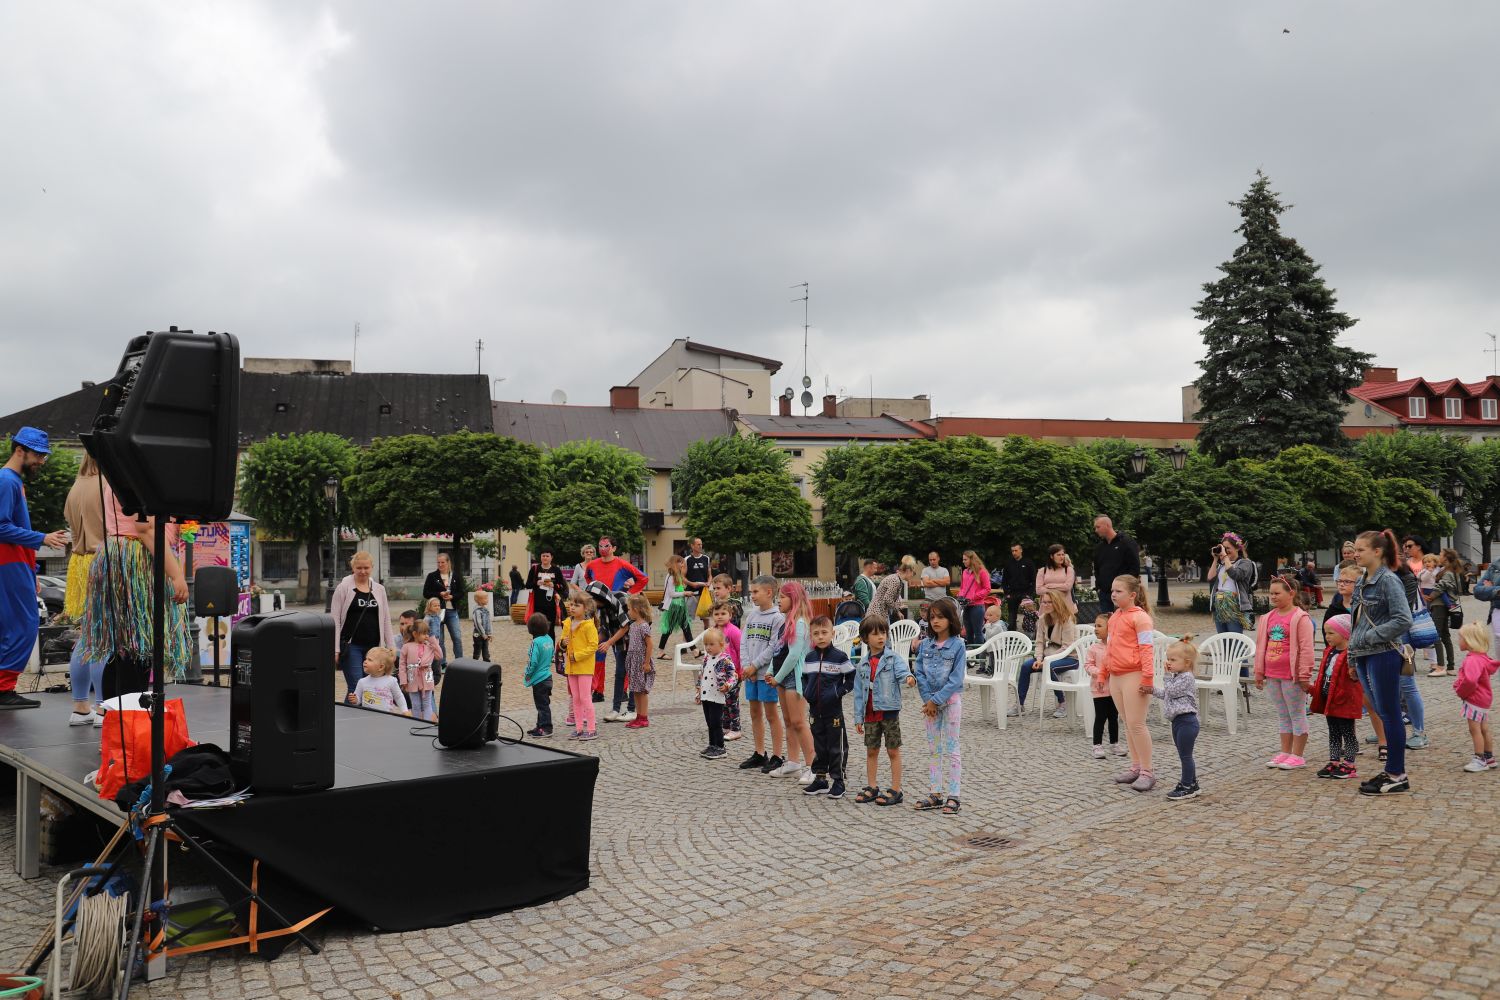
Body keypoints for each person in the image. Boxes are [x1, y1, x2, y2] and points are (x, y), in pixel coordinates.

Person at [79, 476, 189, 699]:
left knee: (124, 650)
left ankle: (117, 719)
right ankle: (129, 722)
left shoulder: (118, 469)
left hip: (119, 555)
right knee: (136, 649)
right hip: (136, 558)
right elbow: (145, 528)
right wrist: (176, 574)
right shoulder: (137, 470)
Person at [1, 428, 70, 709]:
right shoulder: (7, 481)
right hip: (9, 563)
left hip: (15, 564)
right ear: (20, 450)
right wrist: (42, 537)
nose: (42, 461)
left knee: (14, 626)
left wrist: (31, 574)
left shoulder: (11, 481)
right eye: (38, 455)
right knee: (24, 626)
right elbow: (2, 527)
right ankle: (3, 690)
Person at [1350, 529, 1415, 796]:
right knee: (1380, 711)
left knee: (1389, 714)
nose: (1355, 554)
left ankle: (1397, 774)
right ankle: (1390, 771)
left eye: (1360, 550)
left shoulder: (1389, 580)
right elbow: (1355, 621)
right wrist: (1352, 656)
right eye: (1354, 549)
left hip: (1383, 654)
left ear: (1377, 551)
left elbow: (1403, 619)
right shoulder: (1362, 579)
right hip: (1364, 655)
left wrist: (1369, 637)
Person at [911, 596, 967, 815]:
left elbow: (956, 680)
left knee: (952, 749)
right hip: (930, 705)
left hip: (950, 703)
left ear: (950, 619)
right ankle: (935, 793)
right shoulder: (925, 645)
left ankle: (954, 795)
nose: (935, 621)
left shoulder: (958, 646)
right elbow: (920, 672)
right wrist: (928, 700)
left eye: (941, 617)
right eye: (932, 617)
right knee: (934, 749)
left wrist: (936, 700)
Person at [852, 615, 914, 807]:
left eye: (883, 633)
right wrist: (858, 718)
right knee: (872, 751)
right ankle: (872, 786)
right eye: (875, 634)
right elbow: (858, 694)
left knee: (893, 750)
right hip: (870, 713)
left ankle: (896, 789)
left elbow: (903, 672)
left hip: (889, 711)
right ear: (865, 638)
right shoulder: (862, 665)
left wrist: (909, 678)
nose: (881, 637)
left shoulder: (893, 658)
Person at [1254, 577, 1315, 769]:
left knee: (1296, 714)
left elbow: (1306, 648)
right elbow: (1261, 646)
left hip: (1292, 675)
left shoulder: (1300, 618)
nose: (1273, 597)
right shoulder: (1267, 618)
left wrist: (1304, 674)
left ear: (1291, 594)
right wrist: (1259, 672)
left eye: (1277, 593)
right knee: (1282, 715)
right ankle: (1285, 751)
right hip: (1273, 674)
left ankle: (1298, 755)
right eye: (1271, 593)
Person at [62, 454, 105, 724]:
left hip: (79, 564)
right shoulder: (107, 485)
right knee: (106, 639)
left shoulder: (76, 486)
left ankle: (80, 706)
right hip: (103, 561)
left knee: (87, 636)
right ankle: (103, 707)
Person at [1104, 574, 1155, 791]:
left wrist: (1147, 677)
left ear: (1132, 595)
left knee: (1137, 724)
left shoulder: (1141, 618)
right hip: (1116, 676)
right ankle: (1136, 767)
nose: (1113, 594)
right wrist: (1102, 673)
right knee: (1127, 723)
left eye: (1119, 591)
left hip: (1134, 675)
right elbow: (1109, 647)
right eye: (1112, 591)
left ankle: (1147, 771)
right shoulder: (1115, 616)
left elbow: (1147, 649)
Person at [331, 551, 396, 705]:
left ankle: (350, 716)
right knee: (356, 685)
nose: (363, 571)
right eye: (359, 568)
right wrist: (335, 649)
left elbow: (386, 618)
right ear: (353, 567)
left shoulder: (379, 589)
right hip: (351, 645)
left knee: (368, 687)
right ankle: (352, 721)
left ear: (371, 568)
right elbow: (334, 620)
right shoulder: (343, 588)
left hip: (374, 647)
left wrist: (391, 646)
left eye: (366, 568)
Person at [800, 616, 855, 798]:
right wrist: (807, 692)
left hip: (833, 712)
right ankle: (821, 779)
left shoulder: (840, 657)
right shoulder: (809, 658)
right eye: (816, 633)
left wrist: (837, 692)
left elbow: (851, 678)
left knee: (836, 747)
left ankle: (838, 781)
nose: (821, 637)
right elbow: (805, 678)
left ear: (832, 634)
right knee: (820, 746)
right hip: (815, 711)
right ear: (811, 636)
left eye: (824, 633)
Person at [737, 574, 786, 773]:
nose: (753, 596)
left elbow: (774, 646)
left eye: (755, 592)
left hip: (766, 674)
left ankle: (777, 754)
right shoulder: (751, 615)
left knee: (771, 713)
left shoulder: (777, 618)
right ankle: (759, 752)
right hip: (750, 674)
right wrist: (746, 664)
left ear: (769, 592)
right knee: (754, 712)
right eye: (751, 592)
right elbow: (743, 642)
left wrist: (755, 665)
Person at [769, 581, 815, 782]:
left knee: (799, 722)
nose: (779, 600)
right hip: (782, 677)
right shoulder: (787, 622)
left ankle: (813, 766)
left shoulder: (801, 623)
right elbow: (779, 650)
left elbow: (795, 655)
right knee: (788, 721)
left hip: (794, 678)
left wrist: (777, 677)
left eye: (783, 597)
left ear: (794, 599)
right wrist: (772, 671)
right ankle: (793, 763)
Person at [1310, 614, 1362, 780]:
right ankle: (1334, 760)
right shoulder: (1330, 652)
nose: (1327, 637)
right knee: (1333, 732)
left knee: (1348, 733)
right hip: (1329, 699)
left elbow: (1355, 679)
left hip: (1345, 700)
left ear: (1345, 633)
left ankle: (1349, 764)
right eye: (1326, 633)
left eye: (1331, 633)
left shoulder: (1351, 655)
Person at [1015, 591, 1079, 719]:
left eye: (1050, 602)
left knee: (1049, 667)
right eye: (1044, 602)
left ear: (1057, 603)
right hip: (1050, 655)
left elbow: (1067, 647)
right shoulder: (1042, 619)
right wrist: (1039, 658)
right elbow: (1039, 643)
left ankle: (1063, 703)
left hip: (1070, 657)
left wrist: (1047, 660)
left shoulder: (1067, 619)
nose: (1047, 604)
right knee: (1026, 666)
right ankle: (1019, 705)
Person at [1153, 635, 1202, 801]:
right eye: (1168, 659)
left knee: (1186, 756)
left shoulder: (1187, 677)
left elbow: (1172, 692)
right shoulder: (1177, 677)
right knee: (1184, 755)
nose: (1168, 663)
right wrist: (1151, 690)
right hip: (1177, 722)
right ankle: (1192, 783)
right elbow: (1168, 695)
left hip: (1187, 722)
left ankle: (1187, 786)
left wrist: (1166, 677)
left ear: (1187, 662)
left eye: (1173, 659)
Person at [1454, 620, 1499, 772]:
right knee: (1484, 728)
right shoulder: (1482, 657)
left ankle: (1479, 759)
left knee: (1475, 730)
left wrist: (1461, 691)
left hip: (1474, 699)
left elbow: (1470, 681)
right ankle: (1489, 757)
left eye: (1460, 638)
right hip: (1484, 699)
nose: (1458, 641)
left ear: (1469, 641)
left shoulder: (1472, 660)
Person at [560, 589, 600, 741]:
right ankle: (578, 728)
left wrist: (576, 656)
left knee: (585, 697)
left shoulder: (589, 626)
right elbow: (562, 641)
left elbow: (593, 646)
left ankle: (591, 729)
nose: (572, 607)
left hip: (584, 667)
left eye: (576, 605)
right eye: (571, 605)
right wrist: (562, 643)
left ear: (586, 608)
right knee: (575, 697)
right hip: (570, 667)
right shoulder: (567, 623)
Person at [1084, 615, 1123, 759]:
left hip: (1114, 689)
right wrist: (1099, 672)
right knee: (1100, 717)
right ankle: (1097, 745)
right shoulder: (1094, 648)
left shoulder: (1117, 648)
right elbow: (1088, 665)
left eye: (1099, 626)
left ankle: (1114, 743)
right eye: (1095, 625)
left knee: (1114, 716)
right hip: (1099, 689)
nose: (1096, 629)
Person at [694, 627, 736, 760]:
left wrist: (727, 685)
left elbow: (733, 675)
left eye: (711, 644)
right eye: (706, 644)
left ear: (721, 645)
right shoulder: (706, 659)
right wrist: (698, 691)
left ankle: (720, 747)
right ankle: (712, 744)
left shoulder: (724, 659)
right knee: (709, 722)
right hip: (706, 695)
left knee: (716, 722)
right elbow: (702, 674)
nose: (708, 647)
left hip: (717, 696)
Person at [1205, 532, 1256, 635]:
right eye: (1223, 548)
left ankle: (1239, 651)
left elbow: (1235, 575)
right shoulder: (1222, 565)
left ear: (1237, 548)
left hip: (1234, 604)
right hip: (1219, 604)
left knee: (1234, 636)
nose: (1225, 551)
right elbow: (1210, 578)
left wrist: (1225, 557)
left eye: (1228, 548)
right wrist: (1215, 559)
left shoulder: (1245, 563)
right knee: (1222, 637)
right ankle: (1225, 651)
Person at [422, 552, 465, 666]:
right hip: (437, 612)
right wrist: (439, 594)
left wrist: (453, 596)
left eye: (443, 562)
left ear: (448, 562)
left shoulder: (455, 576)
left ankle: (460, 663)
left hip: (452, 611)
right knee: (439, 640)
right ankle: (442, 664)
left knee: (457, 637)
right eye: (438, 562)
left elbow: (461, 592)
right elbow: (426, 593)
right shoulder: (432, 576)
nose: (440, 565)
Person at [1092, 515, 1140, 616]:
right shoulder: (1099, 548)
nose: (1096, 530)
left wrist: (1128, 587)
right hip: (1105, 593)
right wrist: (1099, 587)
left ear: (1107, 525)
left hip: (1123, 593)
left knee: (1125, 620)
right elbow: (1097, 569)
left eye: (1098, 527)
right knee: (1108, 624)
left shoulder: (1127, 543)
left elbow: (1134, 567)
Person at [622, 595, 655, 730]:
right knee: (635, 690)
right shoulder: (633, 625)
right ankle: (638, 715)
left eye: (629, 609)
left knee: (642, 691)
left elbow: (650, 645)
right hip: (633, 661)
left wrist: (646, 663)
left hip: (641, 661)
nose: (628, 612)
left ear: (636, 609)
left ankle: (644, 717)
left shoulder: (644, 626)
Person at [399, 618, 441, 722]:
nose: (426, 635)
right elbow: (402, 665)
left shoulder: (429, 646)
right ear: (415, 634)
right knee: (416, 704)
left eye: (427, 633)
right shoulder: (406, 647)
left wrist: (433, 641)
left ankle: (426, 723)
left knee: (427, 703)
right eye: (424, 633)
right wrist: (403, 680)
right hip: (412, 678)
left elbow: (439, 656)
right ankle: (417, 723)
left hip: (426, 677)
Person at [712, 601, 743, 740]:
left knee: (732, 701)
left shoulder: (734, 631)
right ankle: (725, 726)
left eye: (723, 613)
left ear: (730, 615)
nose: (719, 616)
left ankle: (736, 728)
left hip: (733, 673)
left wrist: (741, 670)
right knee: (722, 701)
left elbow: (741, 650)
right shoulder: (713, 631)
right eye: (716, 614)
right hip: (719, 673)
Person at [1432, 549, 1464, 676]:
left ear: (1446, 558)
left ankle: (1440, 667)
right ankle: (1450, 667)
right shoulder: (1450, 570)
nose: (1438, 556)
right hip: (1444, 605)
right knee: (1445, 635)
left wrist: (1431, 595)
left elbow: (1443, 585)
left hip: (1440, 605)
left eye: (1440, 554)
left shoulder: (1448, 571)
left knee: (1436, 635)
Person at [524, 613, 555, 738]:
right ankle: (540, 725)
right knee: (543, 703)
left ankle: (546, 727)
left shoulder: (535, 642)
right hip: (548, 677)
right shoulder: (549, 639)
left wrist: (528, 674)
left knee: (542, 705)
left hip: (538, 679)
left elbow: (533, 661)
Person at [353, 647, 409, 716]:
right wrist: (355, 700)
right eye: (366, 659)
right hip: (367, 717)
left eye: (370, 660)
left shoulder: (391, 681)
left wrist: (405, 710)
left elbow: (398, 697)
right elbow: (358, 700)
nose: (365, 661)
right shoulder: (362, 682)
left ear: (381, 667)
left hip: (386, 718)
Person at [655, 553, 692, 657]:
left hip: (678, 606)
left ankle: (695, 650)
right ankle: (661, 652)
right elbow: (671, 593)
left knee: (683, 627)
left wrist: (684, 592)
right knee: (675, 628)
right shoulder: (671, 576)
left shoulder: (676, 576)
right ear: (675, 563)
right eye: (680, 562)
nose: (682, 564)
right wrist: (684, 593)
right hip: (674, 607)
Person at [867, 555, 919, 625]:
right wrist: (897, 608)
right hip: (877, 614)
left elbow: (890, 599)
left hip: (879, 613)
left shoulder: (897, 579)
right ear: (908, 571)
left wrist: (898, 611)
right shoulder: (895, 580)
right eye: (913, 573)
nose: (913, 576)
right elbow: (887, 599)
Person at [525, 549, 563, 634]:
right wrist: (536, 583)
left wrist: (554, 585)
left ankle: (550, 647)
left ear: (551, 558)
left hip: (551, 604)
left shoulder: (556, 570)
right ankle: (537, 646)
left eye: (547, 556)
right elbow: (527, 585)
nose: (545, 558)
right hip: (537, 604)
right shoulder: (535, 569)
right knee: (537, 628)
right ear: (540, 557)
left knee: (550, 629)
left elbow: (562, 586)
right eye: (543, 556)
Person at [957, 550, 991, 640]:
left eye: (965, 559)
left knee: (978, 632)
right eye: (963, 559)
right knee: (968, 633)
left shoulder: (981, 571)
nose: (963, 561)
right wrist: (960, 595)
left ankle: (980, 654)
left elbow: (987, 589)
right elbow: (962, 588)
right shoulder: (964, 572)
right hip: (966, 606)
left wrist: (973, 597)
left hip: (977, 606)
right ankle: (970, 653)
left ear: (971, 559)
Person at [1001, 543, 1037, 629]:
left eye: (1016, 550)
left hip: (1025, 593)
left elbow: (1034, 580)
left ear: (1021, 550)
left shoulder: (1028, 562)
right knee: (1011, 617)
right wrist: (1007, 593)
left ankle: (1030, 636)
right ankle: (1012, 637)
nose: (1014, 552)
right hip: (1012, 593)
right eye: (1012, 551)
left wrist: (1029, 593)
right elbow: (1004, 580)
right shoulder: (1008, 563)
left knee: (1030, 615)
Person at [1035, 544, 1077, 615]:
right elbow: (1038, 590)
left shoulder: (1069, 570)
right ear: (1051, 556)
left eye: (1063, 554)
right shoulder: (1042, 571)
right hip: (1047, 608)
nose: (1062, 557)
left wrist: (1049, 585)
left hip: (1064, 607)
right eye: (1058, 555)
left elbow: (1067, 587)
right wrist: (1060, 588)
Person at [685, 537, 712, 631]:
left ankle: (707, 639)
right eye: (698, 544)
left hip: (704, 593)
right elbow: (682, 577)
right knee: (688, 619)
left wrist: (709, 582)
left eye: (701, 544)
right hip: (691, 593)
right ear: (692, 546)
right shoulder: (687, 559)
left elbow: (710, 575)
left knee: (706, 619)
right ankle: (685, 642)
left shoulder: (706, 558)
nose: (700, 546)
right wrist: (691, 583)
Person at [471, 590, 493, 661]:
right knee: (477, 650)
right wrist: (483, 634)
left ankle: (486, 664)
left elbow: (488, 622)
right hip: (478, 635)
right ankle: (474, 664)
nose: (487, 600)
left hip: (485, 635)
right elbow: (478, 623)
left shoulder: (486, 610)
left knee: (486, 650)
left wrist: (489, 633)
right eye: (485, 598)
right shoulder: (477, 611)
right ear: (480, 601)